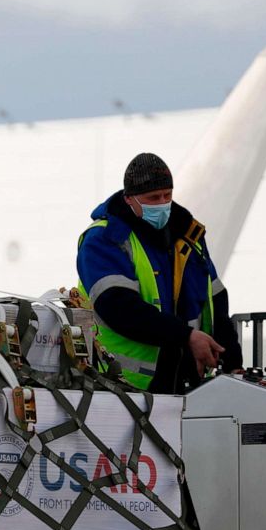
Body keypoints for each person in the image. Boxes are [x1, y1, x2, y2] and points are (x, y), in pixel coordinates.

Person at [77, 152, 242, 394]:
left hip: (185, 379)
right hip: (120, 384)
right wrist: (186, 336)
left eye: (167, 195)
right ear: (129, 199)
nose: (162, 204)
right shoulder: (104, 239)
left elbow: (215, 299)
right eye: (153, 198)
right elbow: (118, 308)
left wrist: (233, 363)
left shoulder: (188, 234)